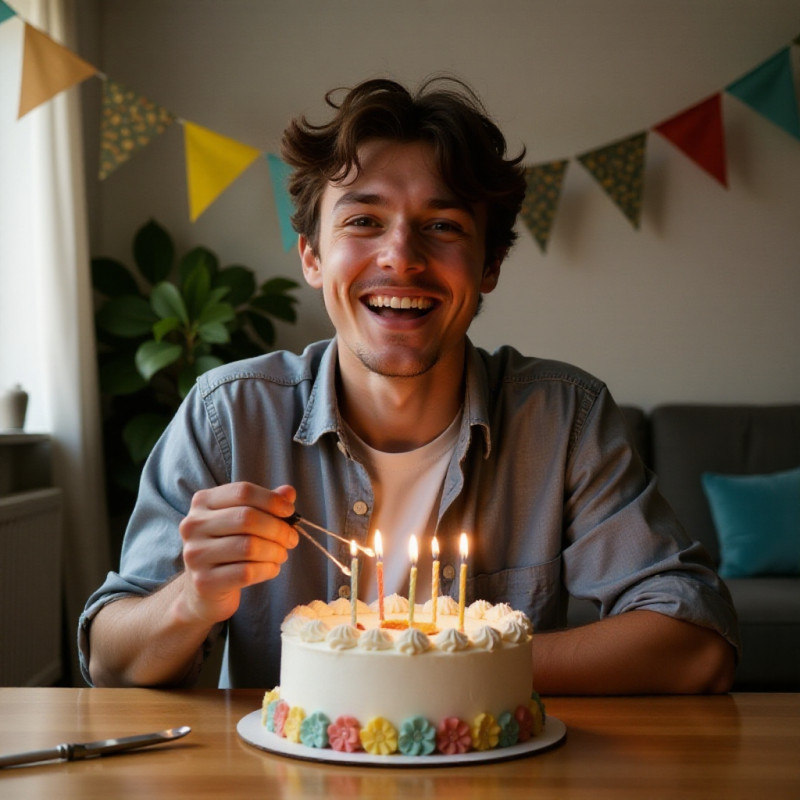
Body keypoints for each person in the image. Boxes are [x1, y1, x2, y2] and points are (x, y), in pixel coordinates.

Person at [80, 77, 739, 693]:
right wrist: (191, 599)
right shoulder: (229, 416)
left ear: (489, 265)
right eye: (363, 221)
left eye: (443, 226)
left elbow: (696, 641)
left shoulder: (562, 419)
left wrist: (452, 662)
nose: (402, 256)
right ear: (311, 256)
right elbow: (108, 660)